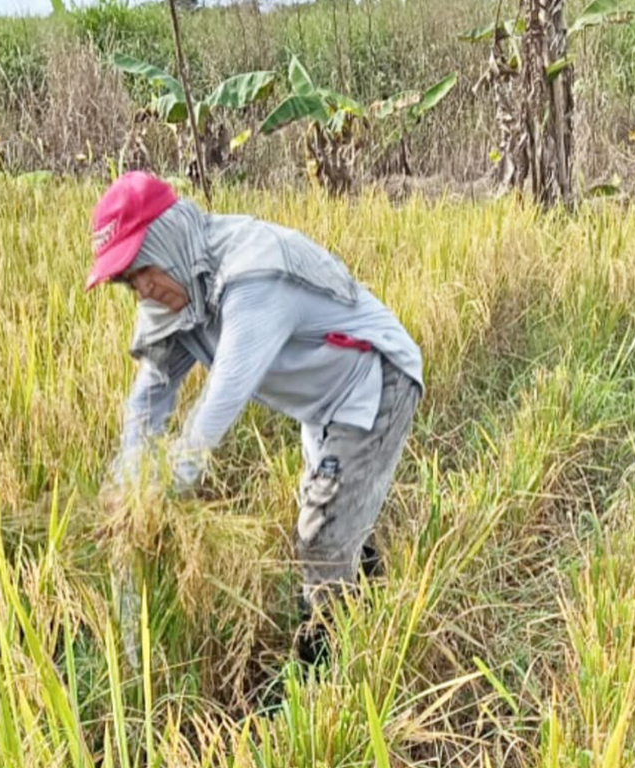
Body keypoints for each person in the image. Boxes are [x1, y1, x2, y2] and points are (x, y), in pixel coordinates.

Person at [88, 171, 423, 665]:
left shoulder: (253, 274)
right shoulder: (174, 288)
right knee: (334, 516)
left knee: (319, 538)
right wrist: (128, 485)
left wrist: (172, 477)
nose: (143, 290)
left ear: (167, 238)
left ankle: (326, 679)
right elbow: (148, 400)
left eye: (142, 269)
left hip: (374, 380)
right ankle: (371, 605)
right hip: (319, 402)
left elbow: (225, 391)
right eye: (128, 281)